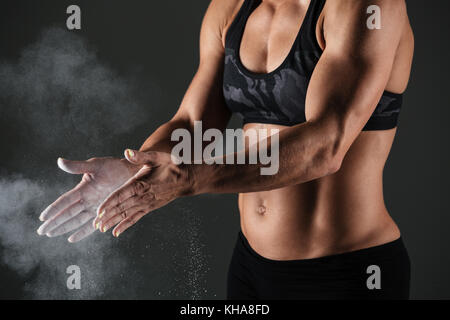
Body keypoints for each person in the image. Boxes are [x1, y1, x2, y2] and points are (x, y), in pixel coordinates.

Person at [37, 0, 414, 299]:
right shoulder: (231, 7)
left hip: (345, 272)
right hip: (250, 267)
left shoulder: (365, 6)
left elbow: (325, 145)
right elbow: (192, 124)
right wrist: (136, 168)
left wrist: (189, 179)